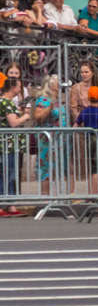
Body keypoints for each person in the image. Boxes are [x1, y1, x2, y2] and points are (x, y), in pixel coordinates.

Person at [0, 71, 31, 214]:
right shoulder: (7, 103)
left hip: (6, 143)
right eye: (18, 87)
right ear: (12, 88)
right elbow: (13, 123)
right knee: (8, 174)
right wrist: (25, 116)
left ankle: (10, 205)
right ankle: (5, 204)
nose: (20, 90)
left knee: (7, 174)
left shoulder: (3, 102)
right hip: (8, 144)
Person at [31, 75, 65, 197]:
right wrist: (49, 109)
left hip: (57, 142)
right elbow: (37, 117)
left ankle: (53, 197)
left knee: (55, 168)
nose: (61, 85)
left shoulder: (58, 100)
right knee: (46, 169)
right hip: (46, 142)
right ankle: (46, 197)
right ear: (51, 85)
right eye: (58, 83)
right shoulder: (43, 100)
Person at [74, 85, 98, 195]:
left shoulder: (84, 112)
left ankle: (90, 193)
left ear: (88, 98)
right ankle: (95, 195)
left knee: (91, 168)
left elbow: (75, 125)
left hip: (88, 140)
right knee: (97, 169)